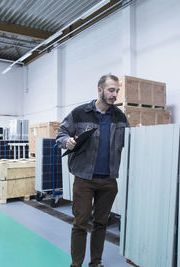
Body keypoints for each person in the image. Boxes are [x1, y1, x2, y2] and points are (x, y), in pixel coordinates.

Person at [56, 74, 129, 267]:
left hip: (109, 181)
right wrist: (67, 142)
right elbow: (61, 133)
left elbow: (129, 141)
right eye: (111, 90)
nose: (115, 95)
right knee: (80, 223)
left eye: (117, 91)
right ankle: (76, 264)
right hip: (84, 179)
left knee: (101, 223)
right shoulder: (80, 113)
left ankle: (96, 262)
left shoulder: (120, 117)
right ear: (100, 90)